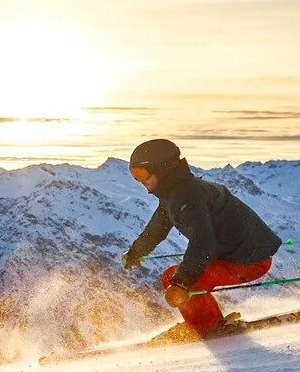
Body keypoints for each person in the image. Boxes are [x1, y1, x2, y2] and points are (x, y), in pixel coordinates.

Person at [121, 139, 282, 340]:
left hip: (250, 260)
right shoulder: (172, 195)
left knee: (182, 281)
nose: (139, 181)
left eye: (141, 174)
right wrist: (136, 252)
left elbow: (202, 243)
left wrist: (182, 283)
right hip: (231, 255)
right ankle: (202, 323)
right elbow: (156, 229)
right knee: (171, 278)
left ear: (163, 170)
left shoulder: (188, 197)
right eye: (134, 175)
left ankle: (210, 327)